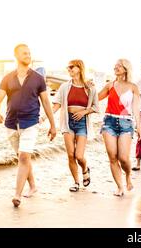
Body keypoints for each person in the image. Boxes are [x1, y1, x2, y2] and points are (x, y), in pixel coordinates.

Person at [0, 44, 56, 207]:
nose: (28, 55)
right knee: (22, 158)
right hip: (11, 124)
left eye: (29, 53)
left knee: (23, 157)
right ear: (16, 56)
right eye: (24, 53)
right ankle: (33, 186)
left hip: (30, 123)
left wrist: (53, 125)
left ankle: (17, 195)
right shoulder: (8, 77)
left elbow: (46, 103)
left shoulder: (37, 78)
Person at [41, 59, 98, 192]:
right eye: (68, 68)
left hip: (82, 123)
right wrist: (44, 117)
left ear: (79, 68)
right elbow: (56, 105)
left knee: (79, 155)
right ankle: (76, 182)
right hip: (67, 123)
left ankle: (85, 169)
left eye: (72, 67)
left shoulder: (90, 87)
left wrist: (83, 112)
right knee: (70, 155)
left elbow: (95, 107)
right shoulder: (64, 87)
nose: (69, 69)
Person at [98, 59, 141, 196]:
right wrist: (88, 87)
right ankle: (119, 186)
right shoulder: (109, 85)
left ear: (126, 69)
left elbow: (136, 109)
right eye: (115, 65)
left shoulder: (133, 87)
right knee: (112, 157)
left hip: (126, 123)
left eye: (119, 65)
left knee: (123, 158)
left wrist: (139, 127)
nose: (116, 67)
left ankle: (128, 176)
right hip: (109, 122)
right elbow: (95, 98)